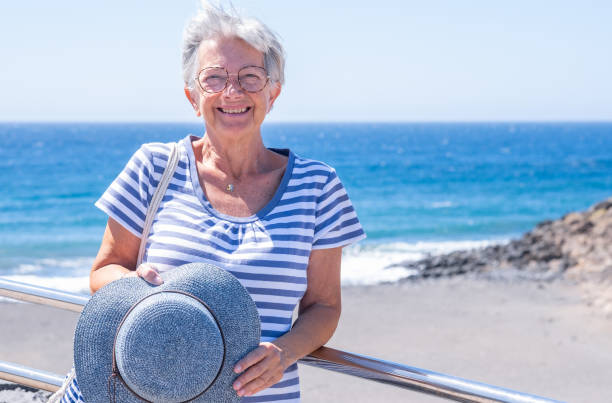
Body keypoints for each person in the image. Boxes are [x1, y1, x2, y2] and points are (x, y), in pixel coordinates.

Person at [61, 2, 365, 402]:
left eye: (250, 77)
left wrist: (285, 353)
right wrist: (134, 286)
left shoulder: (318, 186)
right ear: (192, 95)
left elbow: (324, 307)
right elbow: (103, 271)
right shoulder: (153, 167)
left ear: (273, 93)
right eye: (214, 78)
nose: (232, 92)